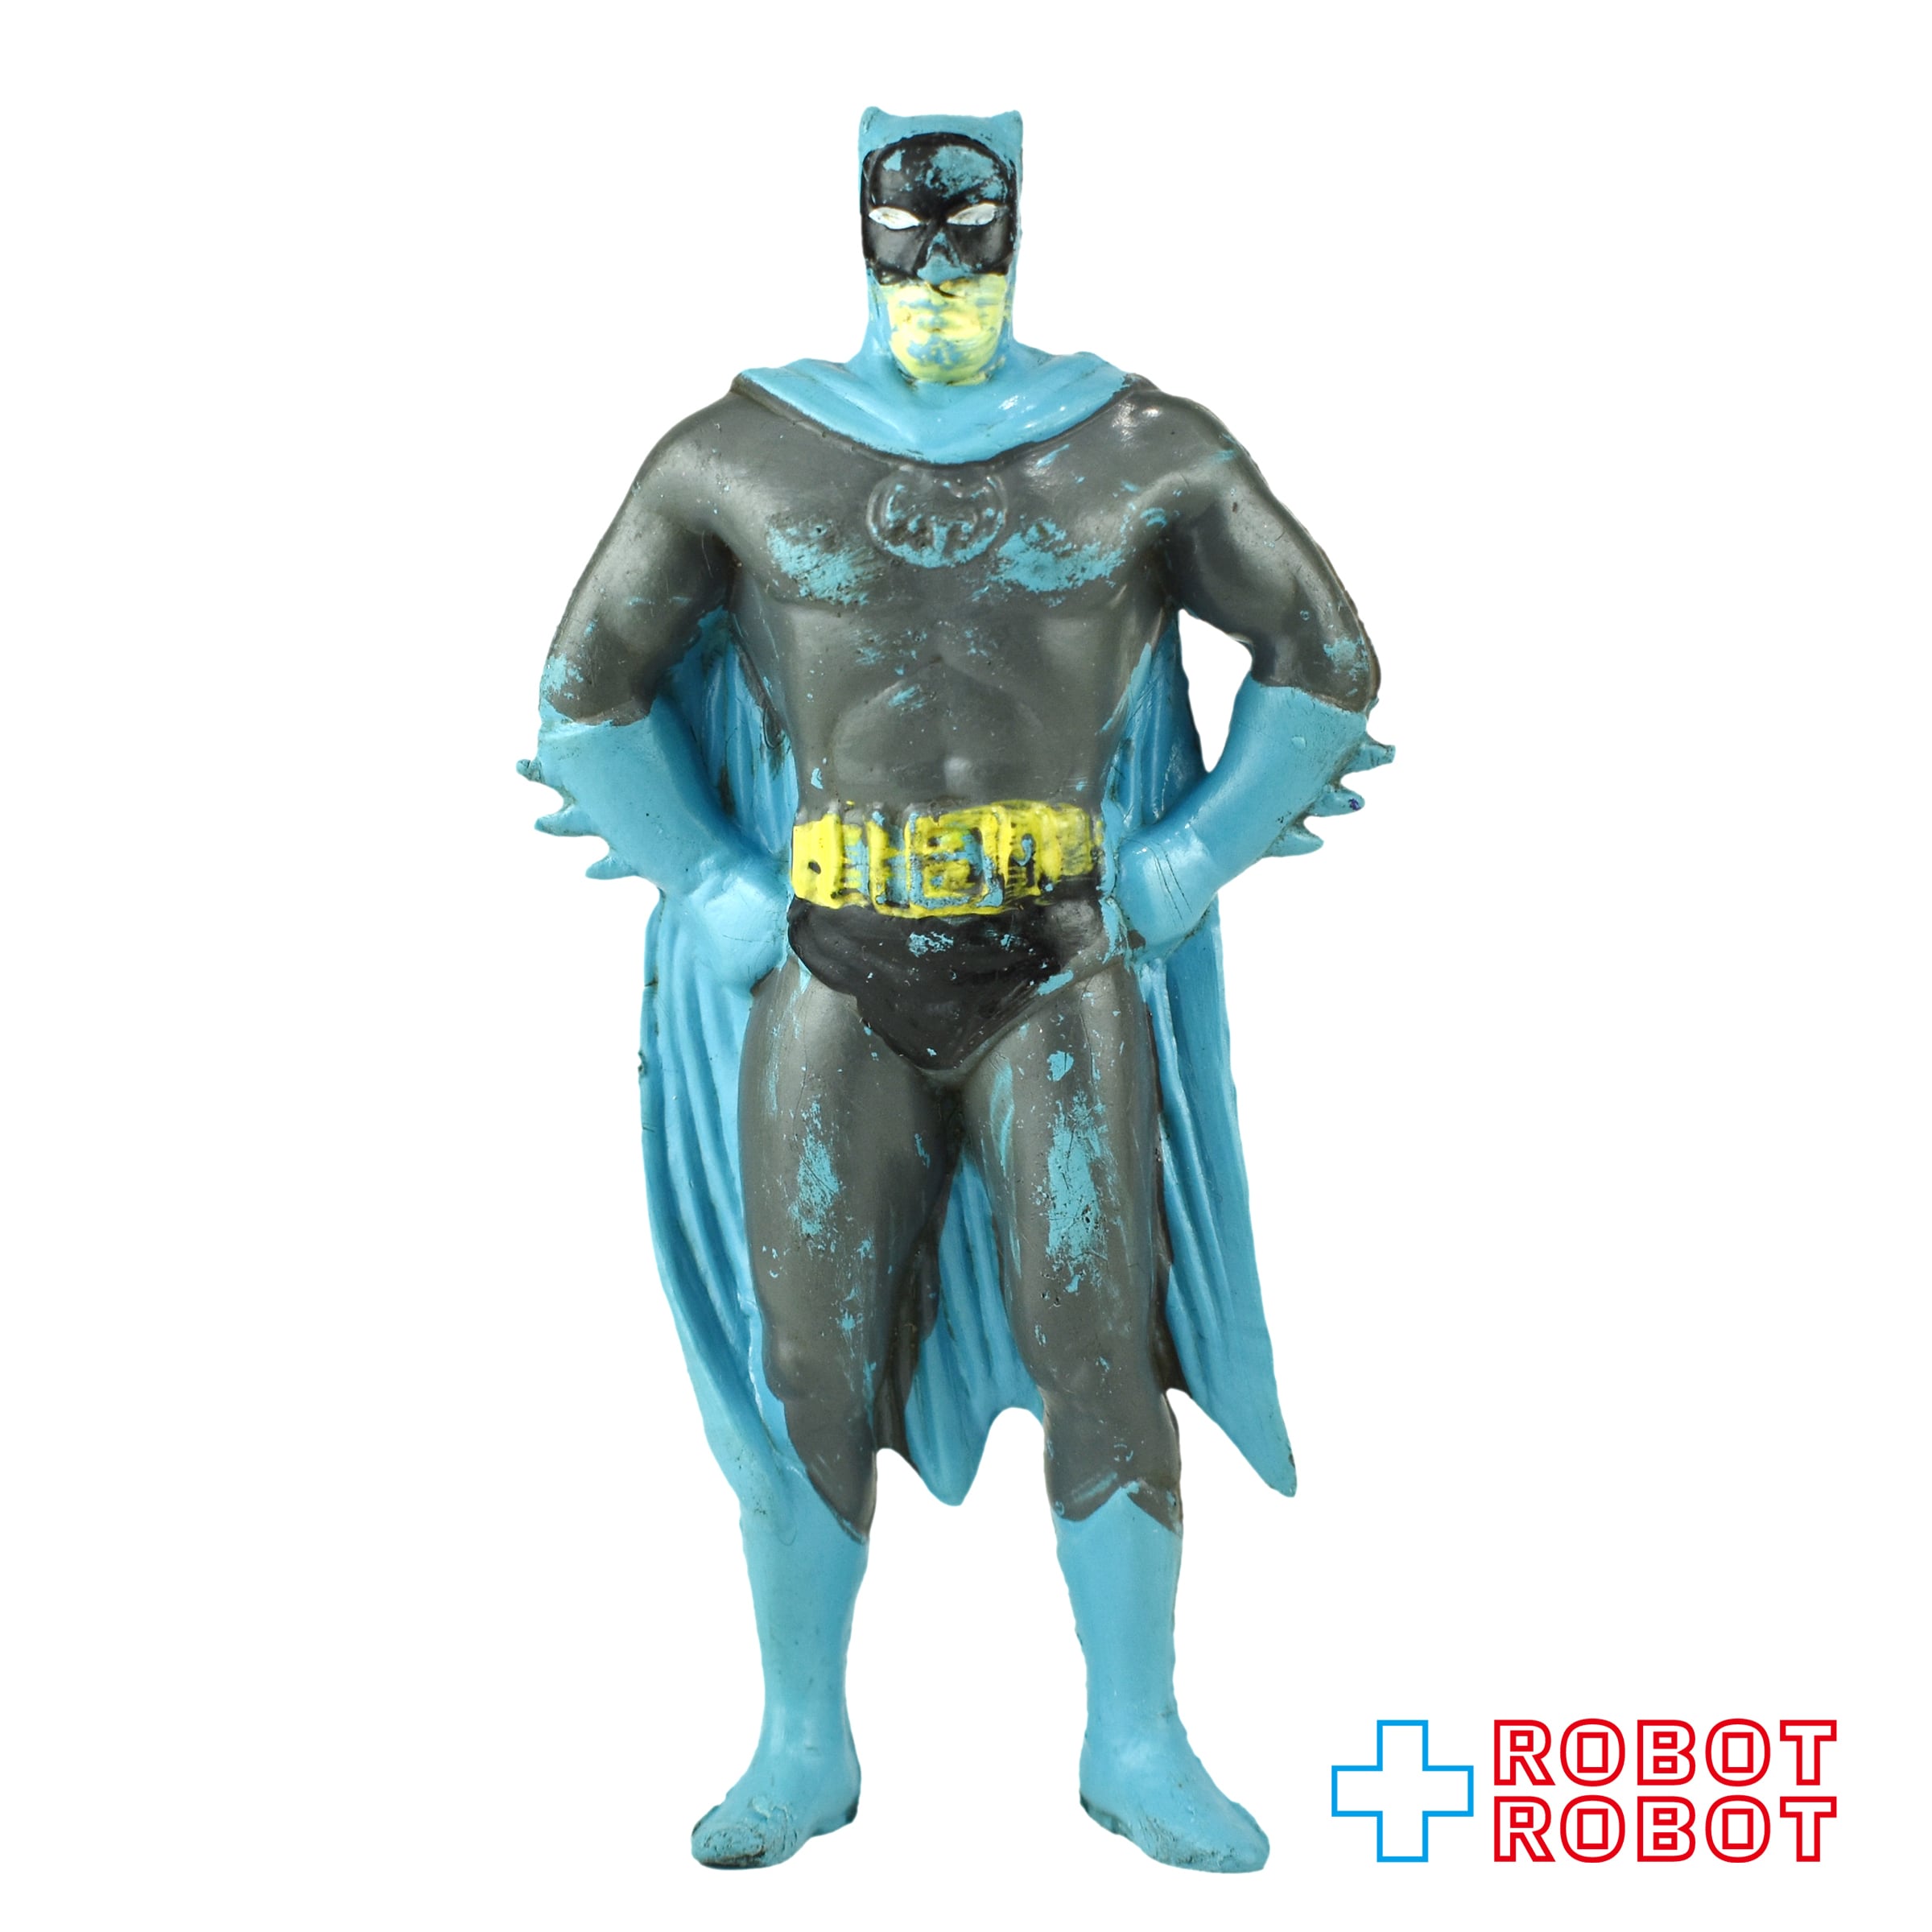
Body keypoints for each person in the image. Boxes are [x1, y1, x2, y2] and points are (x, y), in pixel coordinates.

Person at [525, 107, 1389, 1872]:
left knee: (1104, 1336)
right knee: (806, 1352)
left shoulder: (1138, 446)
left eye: (967, 233)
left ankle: (1136, 1739)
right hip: (831, 967)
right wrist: (711, 881)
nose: (936, 269)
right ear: (858, 234)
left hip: (1059, 967)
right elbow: (582, 695)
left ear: (1017, 230)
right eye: (905, 234)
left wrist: (1177, 869)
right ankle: (801, 1741)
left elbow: (1327, 660)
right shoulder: (738, 455)